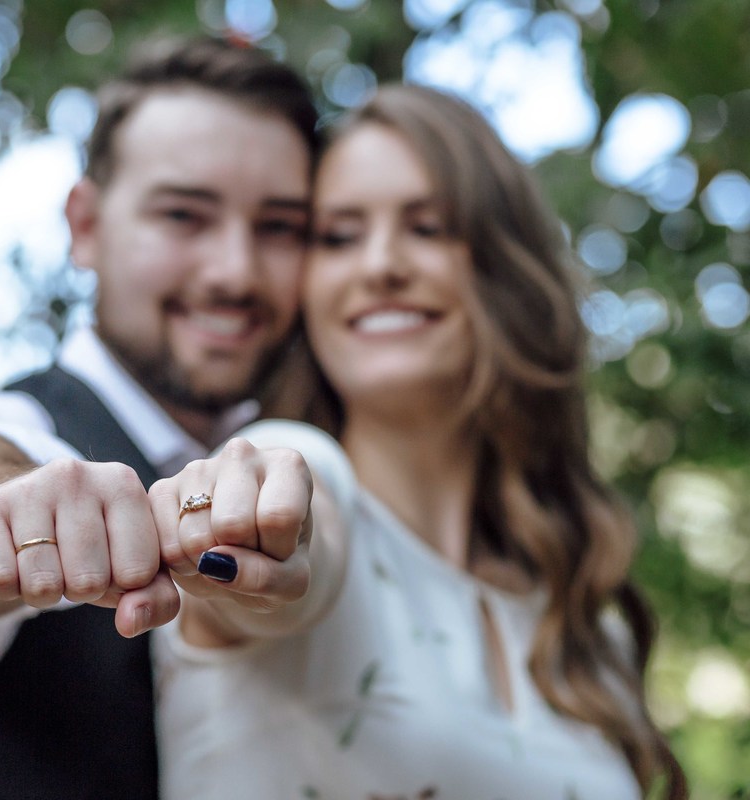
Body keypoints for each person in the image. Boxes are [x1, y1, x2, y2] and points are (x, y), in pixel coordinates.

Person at [150, 84, 687, 800]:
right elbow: (289, 547)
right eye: (338, 236)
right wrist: (246, 534)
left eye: (428, 228)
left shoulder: (585, 627)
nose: (380, 265)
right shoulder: (300, 474)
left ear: (504, 266)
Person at [0, 36, 320, 799]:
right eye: (184, 215)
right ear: (85, 225)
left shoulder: (307, 469)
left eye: (280, 226)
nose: (235, 271)